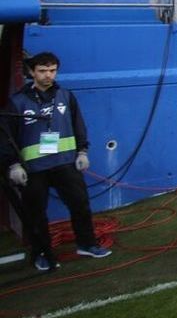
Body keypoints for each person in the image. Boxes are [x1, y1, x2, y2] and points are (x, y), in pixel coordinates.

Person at [3, 52, 111, 271]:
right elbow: (6, 136)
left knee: (80, 203)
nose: (47, 75)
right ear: (32, 72)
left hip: (65, 163)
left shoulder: (65, 96)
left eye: (52, 70)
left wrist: (82, 152)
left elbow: (78, 125)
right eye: (42, 71)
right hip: (33, 169)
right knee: (36, 214)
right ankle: (42, 253)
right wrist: (13, 164)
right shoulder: (17, 102)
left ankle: (87, 243)